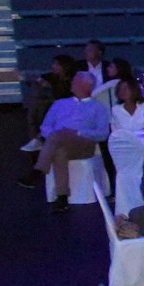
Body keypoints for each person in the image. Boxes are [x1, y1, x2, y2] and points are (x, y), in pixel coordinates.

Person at [19, 68, 108, 209]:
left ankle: (37, 171)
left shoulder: (98, 107)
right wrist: (57, 136)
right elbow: (45, 126)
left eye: (75, 81)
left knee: (58, 136)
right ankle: (62, 197)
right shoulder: (60, 103)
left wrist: (78, 132)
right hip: (58, 142)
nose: (71, 83)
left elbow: (103, 134)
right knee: (59, 150)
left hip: (83, 143)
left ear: (86, 85)